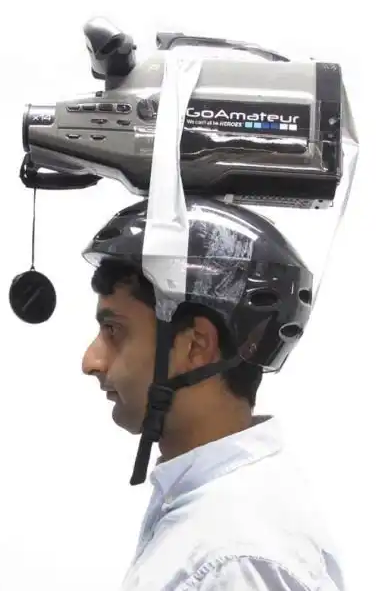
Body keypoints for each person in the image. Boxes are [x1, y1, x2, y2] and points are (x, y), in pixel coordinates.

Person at [81, 196, 345, 591]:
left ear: (196, 346)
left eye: (114, 330)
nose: (91, 361)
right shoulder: (207, 509)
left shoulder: (236, 556)